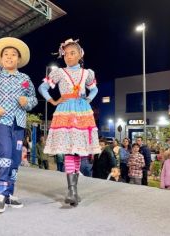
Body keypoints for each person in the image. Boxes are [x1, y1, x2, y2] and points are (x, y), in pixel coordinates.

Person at [38, 38, 101, 206]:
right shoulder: (58, 72)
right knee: (68, 150)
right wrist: (52, 100)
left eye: (73, 53)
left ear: (80, 54)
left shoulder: (87, 73)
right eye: (66, 54)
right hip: (65, 110)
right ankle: (72, 190)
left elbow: (94, 89)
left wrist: (88, 99)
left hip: (81, 111)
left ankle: (73, 190)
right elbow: (42, 88)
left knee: (77, 150)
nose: (69, 56)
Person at [0, 37, 37, 213]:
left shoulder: (25, 79)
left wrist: (27, 101)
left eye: (13, 55)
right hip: (0, 121)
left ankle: (10, 193)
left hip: (18, 122)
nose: (9, 57)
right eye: (6, 55)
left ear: (19, 59)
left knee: (16, 157)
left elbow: (33, 99)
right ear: (1, 59)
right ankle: (0, 193)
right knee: (4, 153)